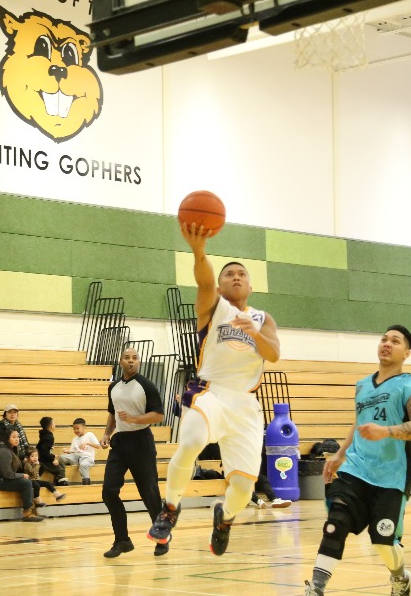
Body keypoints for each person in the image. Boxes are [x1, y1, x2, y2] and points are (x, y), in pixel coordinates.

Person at [148, 221, 280, 557]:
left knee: (243, 487)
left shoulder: (263, 319)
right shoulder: (213, 307)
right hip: (209, 391)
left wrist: (253, 332)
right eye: (228, 274)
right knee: (192, 441)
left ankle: (224, 517)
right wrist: (198, 251)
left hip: (245, 405)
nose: (235, 277)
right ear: (220, 285)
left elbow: (274, 355)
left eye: (241, 274)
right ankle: (170, 507)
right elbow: (204, 280)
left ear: (250, 285)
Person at [303, 325, 411, 596]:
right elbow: (359, 422)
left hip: (392, 476)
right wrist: (340, 454)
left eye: (395, 341)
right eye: (384, 339)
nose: (387, 343)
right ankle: (315, 588)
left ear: (406, 353)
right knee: (335, 523)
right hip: (356, 468)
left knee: (383, 540)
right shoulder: (362, 385)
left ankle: (400, 577)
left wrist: (386, 431)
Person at [101, 348, 167, 558]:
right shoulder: (113, 387)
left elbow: (159, 415)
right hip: (120, 442)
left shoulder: (146, 386)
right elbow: (112, 413)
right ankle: (122, 540)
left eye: (135, 358)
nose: (131, 361)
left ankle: (161, 536)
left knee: (150, 493)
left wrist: (134, 419)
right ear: (120, 361)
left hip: (141, 442)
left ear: (139, 362)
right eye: (127, 358)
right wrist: (106, 433)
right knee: (108, 491)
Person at [0, 426, 44, 522]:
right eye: (14, 437)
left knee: (29, 482)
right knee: (26, 483)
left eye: (18, 437)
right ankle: (27, 513)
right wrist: (22, 475)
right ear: (7, 439)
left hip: (0, 478)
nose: (17, 439)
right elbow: (8, 474)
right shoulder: (5, 452)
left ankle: (32, 510)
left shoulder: (10, 451)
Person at [59, 418, 101, 485]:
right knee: (62, 457)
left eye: (77, 428)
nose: (76, 430)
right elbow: (73, 452)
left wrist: (87, 443)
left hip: (87, 457)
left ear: (84, 427)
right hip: (77, 457)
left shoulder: (90, 434)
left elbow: (98, 446)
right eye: (74, 429)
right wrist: (67, 451)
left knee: (83, 465)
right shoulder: (75, 439)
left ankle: (86, 482)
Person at [37, 417, 68, 486]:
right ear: (51, 426)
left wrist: (53, 456)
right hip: (44, 460)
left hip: (45, 457)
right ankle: (60, 482)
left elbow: (45, 449)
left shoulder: (45, 435)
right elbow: (44, 451)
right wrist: (52, 459)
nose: (55, 424)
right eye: (53, 423)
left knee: (61, 464)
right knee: (59, 469)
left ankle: (58, 480)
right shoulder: (48, 437)